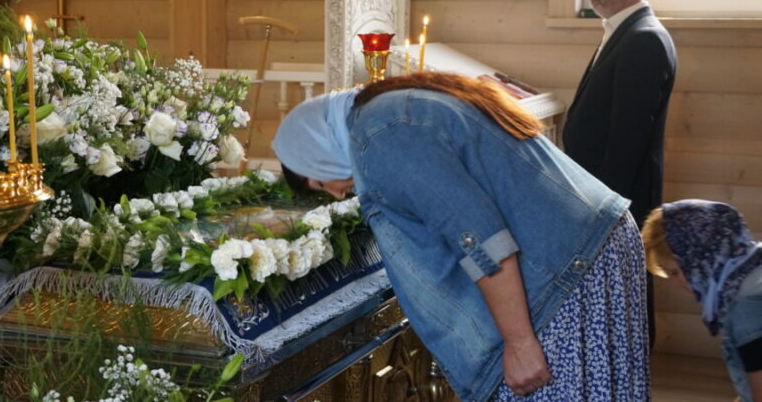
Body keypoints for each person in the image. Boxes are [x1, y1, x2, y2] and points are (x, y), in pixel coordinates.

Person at [273, 72, 649, 401]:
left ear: (317, 149)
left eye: (319, 182)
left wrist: (518, 342)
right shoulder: (386, 110)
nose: (336, 193)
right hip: (587, 246)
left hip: (567, 270)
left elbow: (482, 240)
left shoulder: (380, 136)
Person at [562, 0, 677, 344]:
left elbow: (628, 138)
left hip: (616, 198)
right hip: (603, 195)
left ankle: (631, 370)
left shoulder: (643, 39)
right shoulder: (625, 32)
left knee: (626, 298)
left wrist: (603, 208)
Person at [642, 200, 762, 402]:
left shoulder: (745, 308)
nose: (676, 285)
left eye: (675, 272)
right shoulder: (752, 268)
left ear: (698, 259)